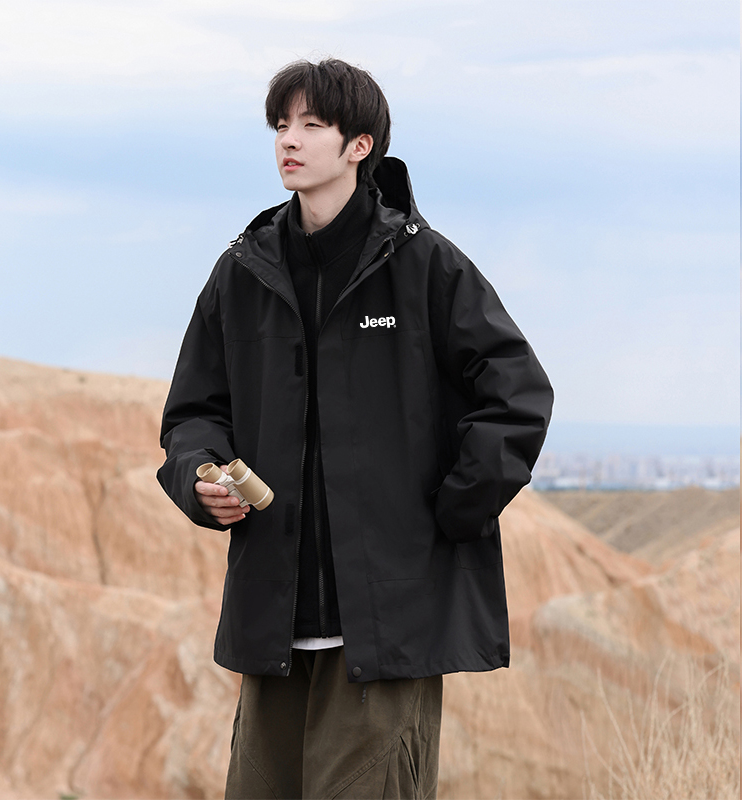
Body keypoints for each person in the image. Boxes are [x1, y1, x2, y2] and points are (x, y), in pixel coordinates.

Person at [157, 57, 553, 799]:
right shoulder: (242, 273)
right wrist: (198, 476)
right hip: (272, 625)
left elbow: (518, 395)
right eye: (281, 124)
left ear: (359, 145)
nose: (289, 140)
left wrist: (448, 514)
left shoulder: (425, 265)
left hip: (385, 632)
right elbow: (193, 413)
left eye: (312, 124)